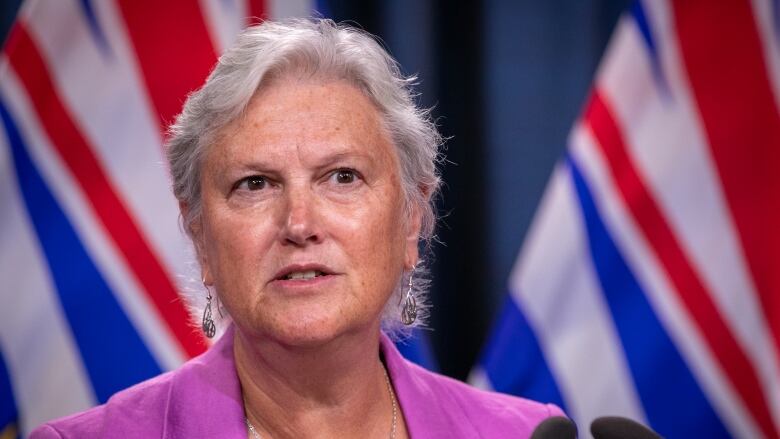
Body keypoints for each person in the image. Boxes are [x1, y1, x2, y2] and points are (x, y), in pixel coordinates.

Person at [31, 18, 564, 438]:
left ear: (411, 221)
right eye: (255, 184)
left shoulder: (525, 434)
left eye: (342, 176)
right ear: (201, 239)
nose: (299, 225)